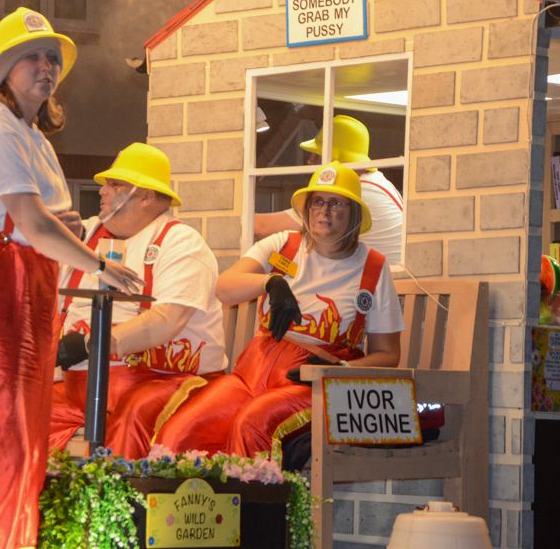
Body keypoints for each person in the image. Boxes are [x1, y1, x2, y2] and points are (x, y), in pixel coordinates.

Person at [0, 7, 143, 549]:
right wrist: (98, 264)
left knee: (24, 442)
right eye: (32, 58)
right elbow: (33, 222)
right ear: (4, 70)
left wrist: (61, 229)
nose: (47, 66)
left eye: (52, 58)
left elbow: (42, 223)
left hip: (24, 286)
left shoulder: (32, 136)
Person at [154, 162, 404, 463]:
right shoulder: (283, 245)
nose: (324, 211)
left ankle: (252, 496)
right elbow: (224, 288)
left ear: (354, 214)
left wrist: (342, 369)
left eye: (336, 203)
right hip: (252, 371)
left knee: (252, 424)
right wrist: (270, 282)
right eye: (317, 202)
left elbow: (388, 354)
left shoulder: (373, 268)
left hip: (310, 382)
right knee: (180, 430)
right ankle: (190, 496)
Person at [49, 143, 228, 460]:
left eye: (114, 184)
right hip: (79, 386)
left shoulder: (181, 242)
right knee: (18, 406)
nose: (102, 190)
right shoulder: (84, 234)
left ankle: (115, 493)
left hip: (163, 383)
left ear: (146, 196)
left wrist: (90, 344)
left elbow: (167, 321)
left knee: (133, 415)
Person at [254, 115, 404, 265]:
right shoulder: (376, 181)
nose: (310, 161)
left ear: (334, 159)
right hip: (376, 274)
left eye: (317, 154)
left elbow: (262, 228)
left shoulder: (356, 193)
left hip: (374, 278)